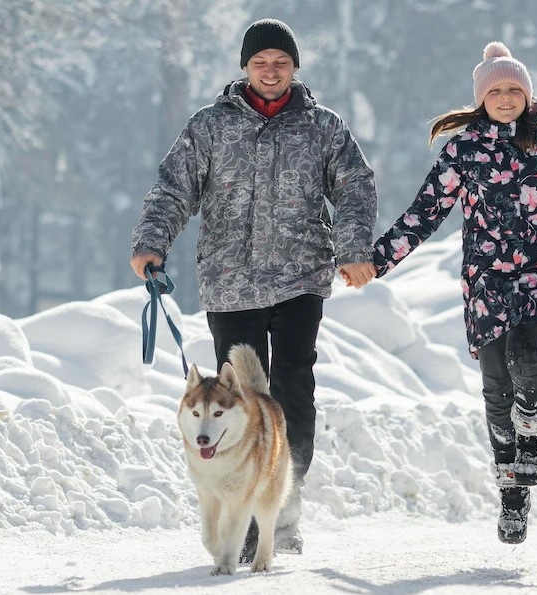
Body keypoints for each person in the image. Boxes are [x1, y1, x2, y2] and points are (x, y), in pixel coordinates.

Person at [130, 18, 378, 560]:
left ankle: (282, 505)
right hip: (231, 281)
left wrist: (355, 248)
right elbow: (174, 186)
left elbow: (356, 186)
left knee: (291, 392)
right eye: (261, 62)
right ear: (245, 67)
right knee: (239, 402)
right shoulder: (210, 126)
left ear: (295, 69)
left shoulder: (323, 127)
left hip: (299, 279)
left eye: (281, 63)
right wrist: (152, 241)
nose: (271, 71)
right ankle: (244, 517)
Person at [365, 41, 537, 544]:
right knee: (496, 383)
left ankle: (534, 432)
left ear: (527, 95)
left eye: (513, 88)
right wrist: (377, 258)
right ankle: (512, 494)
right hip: (487, 279)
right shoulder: (464, 149)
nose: (504, 97)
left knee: (526, 353)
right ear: (481, 97)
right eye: (494, 90)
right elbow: (426, 212)